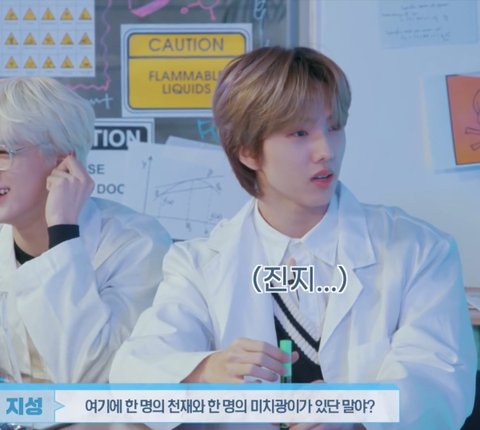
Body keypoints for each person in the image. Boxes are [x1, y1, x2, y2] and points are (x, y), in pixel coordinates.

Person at [110, 47, 476, 429]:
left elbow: (438, 381)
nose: (326, 151)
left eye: (334, 127)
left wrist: (353, 413)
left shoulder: (419, 250)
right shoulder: (199, 264)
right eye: (300, 133)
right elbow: (133, 376)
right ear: (248, 152)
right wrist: (204, 370)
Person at [0, 76, 171, 383]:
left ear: (62, 161)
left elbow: (92, 376)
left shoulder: (137, 245)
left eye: (3, 153)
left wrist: (62, 231)